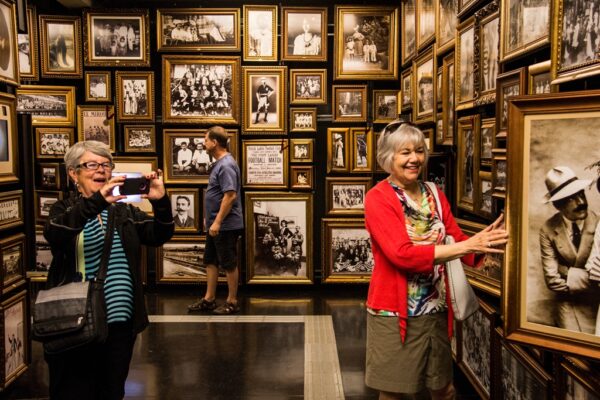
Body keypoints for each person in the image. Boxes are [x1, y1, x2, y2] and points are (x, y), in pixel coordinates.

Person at [364, 121, 507, 400]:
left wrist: (484, 245)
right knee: (395, 393)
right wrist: (468, 245)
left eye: (418, 151)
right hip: (395, 315)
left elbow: (454, 236)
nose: (414, 159)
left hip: (436, 311)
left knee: (444, 389)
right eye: (404, 152)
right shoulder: (378, 198)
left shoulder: (434, 193)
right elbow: (402, 254)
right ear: (388, 157)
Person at [43, 140, 174, 399]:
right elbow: (56, 234)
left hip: (120, 324)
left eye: (106, 165)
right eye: (91, 164)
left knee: (112, 391)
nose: (101, 170)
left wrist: (160, 202)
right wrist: (98, 201)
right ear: (73, 172)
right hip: (75, 323)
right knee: (73, 392)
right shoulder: (64, 210)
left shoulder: (124, 211)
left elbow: (159, 234)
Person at [188, 126, 243, 315]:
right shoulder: (220, 163)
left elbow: (230, 196)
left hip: (226, 225)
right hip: (216, 223)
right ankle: (209, 299)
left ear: (215, 142)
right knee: (210, 260)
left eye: (206, 139)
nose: (204, 143)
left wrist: (218, 221)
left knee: (228, 263)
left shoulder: (226, 164)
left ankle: (232, 301)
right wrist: (211, 219)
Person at [539, 166, 598, 334]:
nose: (581, 202)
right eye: (572, 198)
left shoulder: (599, 224)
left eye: (581, 194)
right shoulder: (548, 229)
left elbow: (599, 280)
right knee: (571, 357)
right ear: (558, 205)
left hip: (596, 305)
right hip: (567, 307)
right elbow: (552, 280)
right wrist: (586, 277)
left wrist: (566, 272)